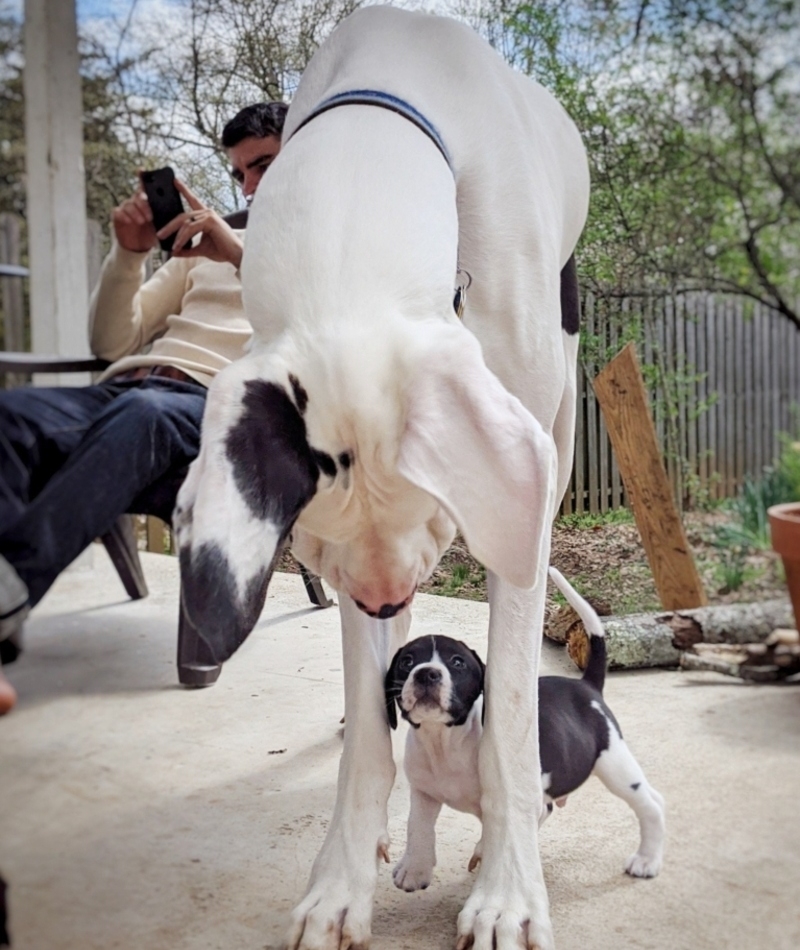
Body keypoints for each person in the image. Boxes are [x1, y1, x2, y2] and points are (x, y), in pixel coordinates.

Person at [0, 101, 288, 713]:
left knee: (146, 414)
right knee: (12, 415)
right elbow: (112, 344)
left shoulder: (326, 253)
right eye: (239, 174)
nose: (250, 185)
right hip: (131, 392)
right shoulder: (202, 250)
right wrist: (128, 255)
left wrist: (238, 254)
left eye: (262, 164)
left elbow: (315, 331)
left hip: (217, 412)